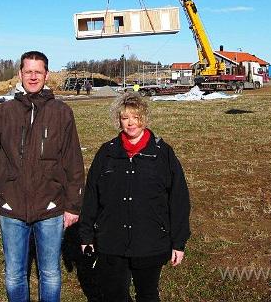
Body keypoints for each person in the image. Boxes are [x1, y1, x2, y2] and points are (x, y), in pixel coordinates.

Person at [0, 50, 85, 302]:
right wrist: (5, 181)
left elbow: (74, 163)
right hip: (12, 207)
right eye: (28, 72)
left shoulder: (62, 112)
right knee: (15, 273)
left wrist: (73, 205)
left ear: (46, 75)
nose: (33, 77)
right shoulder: (3, 113)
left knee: (50, 273)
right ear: (20, 74)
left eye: (38, 72)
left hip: (50, 207)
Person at [78, 92, 191, 302]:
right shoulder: (107, 152)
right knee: (114, 295)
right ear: (118, 120)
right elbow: (91, 196)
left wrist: (178, 242)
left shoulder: (162, 153)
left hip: (149, 242)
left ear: (144, 118)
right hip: (111, 242)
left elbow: (179, 200)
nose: (131, 123)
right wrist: (86, 236)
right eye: (125, 118)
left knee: (147, 295)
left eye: (136, 117)